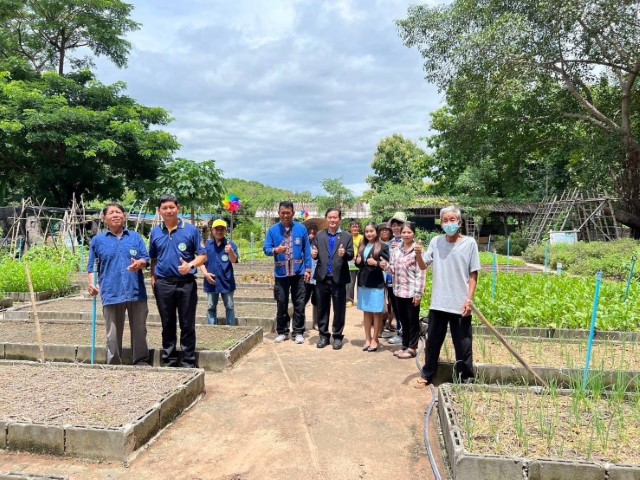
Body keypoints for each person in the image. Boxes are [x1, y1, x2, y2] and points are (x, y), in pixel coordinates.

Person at [416, 206, 480, 385]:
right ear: (441, 223)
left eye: (452, 220)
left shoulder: (469, 243)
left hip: (460, 303)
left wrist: (469, 299)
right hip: (439, 302)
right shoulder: (436, 241)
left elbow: (473, 273)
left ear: (459, 222)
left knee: (463, 343)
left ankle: (465, 378)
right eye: (445, 220)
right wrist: (418, 255)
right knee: (433, 342)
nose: (449, 223)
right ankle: (427, 374)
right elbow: (423, 265)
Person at [87, 204, 150, 365]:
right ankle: (114, 363)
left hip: (135, 291)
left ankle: (141, 361)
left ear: (124, 216)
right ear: (104, 219)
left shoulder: (135, 237)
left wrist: (140, 263)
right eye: (111, 213)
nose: (115, 215)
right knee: (112, 334)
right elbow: (92, 267)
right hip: (111, 291)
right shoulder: (98, 241)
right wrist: (92, 284)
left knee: (139, 330)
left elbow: (146, 259)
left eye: (118, 212)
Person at [149, 194, 207, 368]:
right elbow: (153, 258)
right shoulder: (155, 232)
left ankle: (188, 362)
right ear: (159, 211)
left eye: (171, 207)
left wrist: (190, 265)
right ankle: (169, 362)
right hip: (163, 284)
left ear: (178, 208)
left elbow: (203, 255)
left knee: (187, 324)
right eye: (165, 208)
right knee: (167, 324)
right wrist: (153, 278)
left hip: (186, 283)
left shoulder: (191, 230)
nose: (168, 211)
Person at [264, 201, 312, 344]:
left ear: (293, 213)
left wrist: (308, 269)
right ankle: (283, 332)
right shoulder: (273, 230)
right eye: (283, 213)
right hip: (281, 274)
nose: (285, 215)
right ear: (279, 213)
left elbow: (307, 250)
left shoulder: (301, 229)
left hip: (298, 273)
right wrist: (276, 250)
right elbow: (266, 249)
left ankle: (298, 331)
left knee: (299, 303)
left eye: (288, 213)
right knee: (282, 302)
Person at [311, 208, 354, 350]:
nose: (332, 220)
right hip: (322, 277)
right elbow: (315, 253)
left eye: (335, 217)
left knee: (339, 309)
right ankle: (323, 336)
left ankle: (337, 336)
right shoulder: (320, 235)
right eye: (330, 217)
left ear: (339, 219)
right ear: (326, 219)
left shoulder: (347, 236)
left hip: (339, 278)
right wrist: (314, 255)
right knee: (322, 308)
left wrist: (344, 254)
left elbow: (351, 255)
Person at [383, 221, 426, 359]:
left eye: (409, 232)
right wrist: (385, 266)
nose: (406, 235)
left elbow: (421, 273)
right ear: (400, 234)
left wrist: (418, 293)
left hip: (412, 292)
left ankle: (412, 348)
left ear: (414, 234)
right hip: (398, 291)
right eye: (404, 232)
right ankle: (404, 346)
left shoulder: (418, 250)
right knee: (403, 321)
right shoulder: (396, 250)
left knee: (412, 321)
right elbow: (393, 269)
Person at [354, 222, 389, 352]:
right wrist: (357, 262)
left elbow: (387, 265)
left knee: (376, 311)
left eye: (371, 231)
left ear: (376, 232)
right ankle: (367, 338)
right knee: (366, 311)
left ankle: (375, 339)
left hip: (376, 283)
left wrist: (376, 263)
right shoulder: (362, 245)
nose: (369, 234)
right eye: (367, 231)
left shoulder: (383, 246)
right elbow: (360, 264)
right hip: (363, 282)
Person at [200, 218, 238, 326]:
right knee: (211, 307)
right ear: (212, 230)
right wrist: (205, 274)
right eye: (217, 229)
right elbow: (200, 262)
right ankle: (212, 328)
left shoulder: (231, 245)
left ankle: (231, 327)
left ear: (226, 231)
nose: (219, 231)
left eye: (222, 229)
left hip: (227, 282)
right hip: (211, 281)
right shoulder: (207, 245)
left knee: (230, 306)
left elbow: (234, 260)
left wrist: (230, 251)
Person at [386, 211, 407, 345]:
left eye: (398, 225)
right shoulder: (391, 242)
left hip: (404, 282)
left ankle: (406, 334)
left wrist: (398, 249)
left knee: (404, 309)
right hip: (391, 280)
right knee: (396, 308)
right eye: (393, 225)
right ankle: (400, 332)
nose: (396, 228)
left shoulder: (408, 241)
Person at [303, 217, 326, 330]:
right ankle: (300, 322)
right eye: (311, 229)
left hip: (317, 277)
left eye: (315, 229)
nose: (313, 231)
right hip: (306, 276)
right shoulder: (303, 243)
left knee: (317, 300)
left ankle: (316, 322)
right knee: (303, 299)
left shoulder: (321, 243)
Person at [377, 222, 396, 332]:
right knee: (381, 301)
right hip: (380, 274)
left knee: (392, 301)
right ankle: (381, 325)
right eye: (382, 230)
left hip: (392, 275)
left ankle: (390, 322)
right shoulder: (376, 243)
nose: (384, 232)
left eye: (387, 230)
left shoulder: (395, 242)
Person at [346, 220, 363, 307]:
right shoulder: (347, 237)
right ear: (350, 228)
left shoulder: (362, 237)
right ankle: (349, 300)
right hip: (350, 263)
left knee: (361, 282)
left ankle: (361, 300)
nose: (355, 228)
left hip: (360, 262)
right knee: (350, 283)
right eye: (353, 227)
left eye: (356, 227)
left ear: (359, 228)